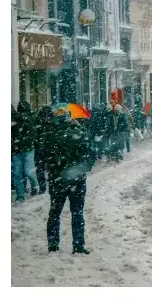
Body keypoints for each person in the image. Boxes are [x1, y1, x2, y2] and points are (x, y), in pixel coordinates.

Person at [42, 106, 95, 254]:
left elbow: (43, 158)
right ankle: (78, 246)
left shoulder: (49, 136)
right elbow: (90, 154)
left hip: (56, 180)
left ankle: (53, 246)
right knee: (77, 212)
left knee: (54, 213)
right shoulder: (78, 133)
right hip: (76, 180)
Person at [12, 101, 40, 200]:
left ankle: (35, 187)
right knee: (17, 173)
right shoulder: (16, 119)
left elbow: (27, 123)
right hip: (17, 150)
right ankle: (20, 195)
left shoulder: (30, 118)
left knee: (28, 172)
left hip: (28, 149)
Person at [34, 106, 53, 195]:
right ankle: (48, 185)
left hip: (41, 148)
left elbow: (35, 135)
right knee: (49, 168)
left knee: (40, 169)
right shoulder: (52, 122)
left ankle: (43, 187)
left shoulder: (38, 122)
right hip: (48, 148)